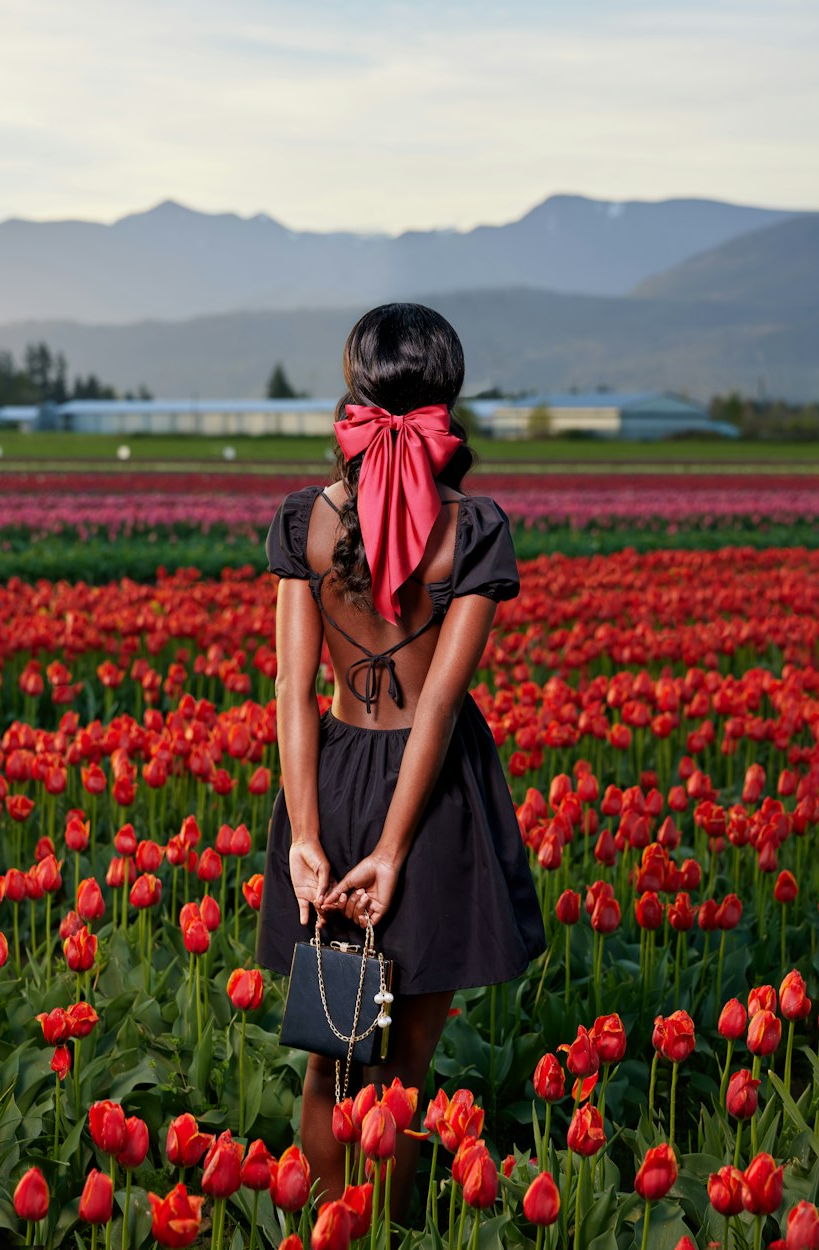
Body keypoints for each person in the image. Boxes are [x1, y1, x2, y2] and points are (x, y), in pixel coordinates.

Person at [255, 302, 546, 1218]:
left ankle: (322, 1231)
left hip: (332, 782)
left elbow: (291, 691)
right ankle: (381, 1232)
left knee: (333, 1047)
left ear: (355, 390)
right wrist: (393, 849)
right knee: (403, 1065)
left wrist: (310, 835)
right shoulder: (475, 526)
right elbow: (439, 708)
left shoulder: (305, 521)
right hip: (435, 800)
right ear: (446, 398)